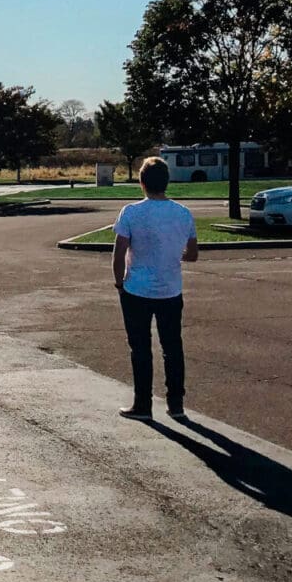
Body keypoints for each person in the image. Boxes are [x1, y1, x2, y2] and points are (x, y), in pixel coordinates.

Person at [112, 156, 198, 421]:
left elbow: (119, 253)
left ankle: (143, 404)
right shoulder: (183, 213)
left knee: (140, 348)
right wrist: (172, 254)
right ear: (167, 182)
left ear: (142, 182)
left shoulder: (131, 212)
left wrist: (120, 282)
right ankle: (176, 403)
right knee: (173, 347)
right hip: (170, 289)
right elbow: (192, 254)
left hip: (137, 289)